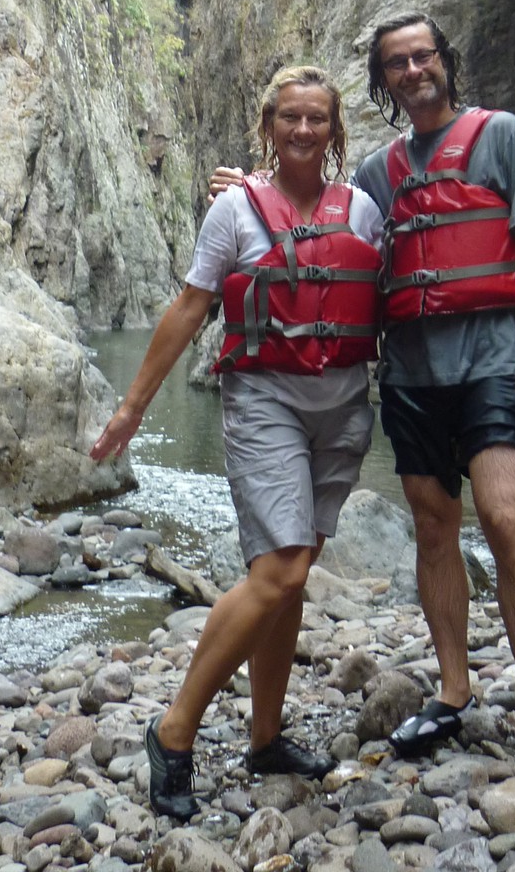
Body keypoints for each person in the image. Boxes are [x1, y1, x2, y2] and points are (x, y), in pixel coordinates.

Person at [91, 65, 383, 820]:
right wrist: (132, 410)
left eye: (318, 119)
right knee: (282, 570)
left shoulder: (364, 213)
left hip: (343, 410)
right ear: (268, 126)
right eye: (290, 118)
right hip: (265, 405)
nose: (304, 131)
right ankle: (174, 730)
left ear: (336, 130)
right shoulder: (234, 213)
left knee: (287, 576)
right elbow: (190, 309)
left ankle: (264, 737)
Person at [352, 12, 515, 769]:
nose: (414, 71)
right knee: (433, 525)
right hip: (412, 372)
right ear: (383, 81)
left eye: (424, 56)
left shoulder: (502, 135)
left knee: (505, 516)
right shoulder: (378, 174)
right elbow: (335, 239)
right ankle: (453, 692)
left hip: (493, 357)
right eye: (397, 63)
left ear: (446, 60)